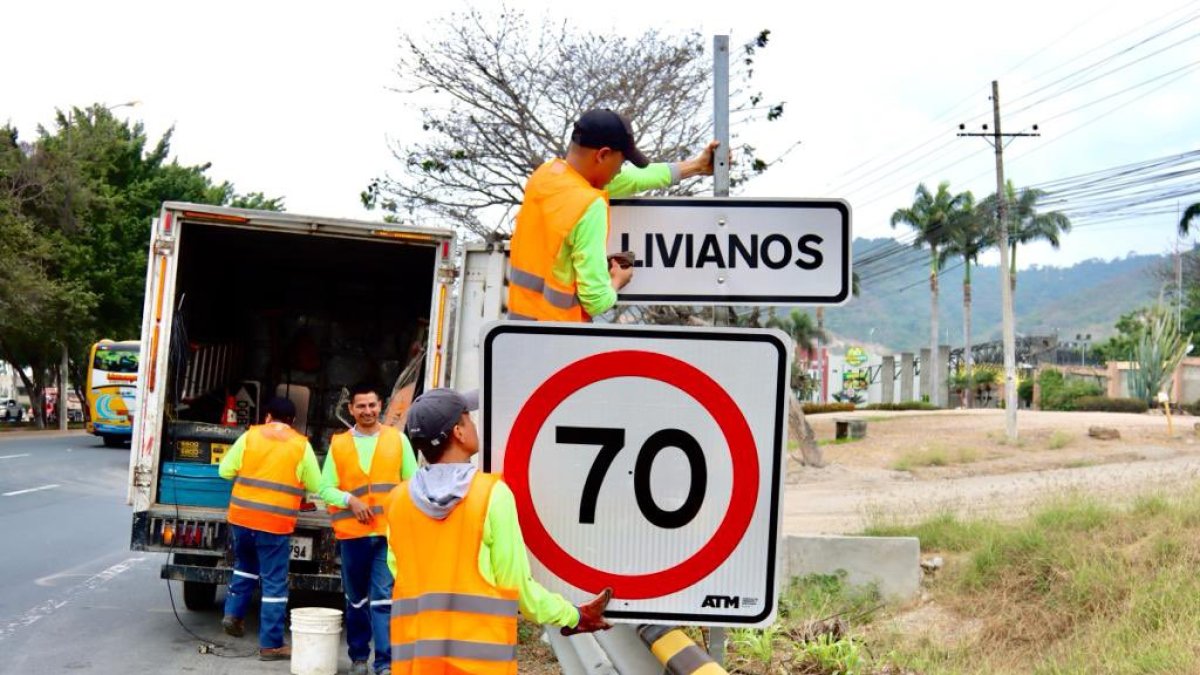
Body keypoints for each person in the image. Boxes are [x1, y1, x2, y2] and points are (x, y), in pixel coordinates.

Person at [386, 389, 611, 673]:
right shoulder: (491, 495)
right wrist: (574, 616)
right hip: (479, 665)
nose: (474, 425)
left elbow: (402, 574)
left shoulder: (398, 501)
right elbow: (517, 587)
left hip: (415, 663)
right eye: (469, 419)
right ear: (459, 432)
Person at [507, 108, 719, 322]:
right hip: (560, 340)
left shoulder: (545, 175)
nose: (619, 170)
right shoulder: (589, 205)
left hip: (518, 331)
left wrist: (697, 166)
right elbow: (596, 300)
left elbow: (632, 179)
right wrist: (618, 280)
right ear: (603, 155)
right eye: (621, 161)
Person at [319, 383, 419, 675]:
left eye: (372, 405)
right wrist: (350, 500)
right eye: (361, 406)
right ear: (351, 410)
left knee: (383, 599)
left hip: (387, 536)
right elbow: (325, 488)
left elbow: (412, 483)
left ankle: (385, 663)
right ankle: (359, 657)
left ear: (381, 406)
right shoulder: (339, 444)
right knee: (357, 600)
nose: (367, 411)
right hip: (352, 535)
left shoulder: (398, 441)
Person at [218, 397, 322, 661]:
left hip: (241, 519)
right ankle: (271, 645)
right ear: (293, 422)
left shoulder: (250, 436)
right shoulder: (301, 445)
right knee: (274, 582)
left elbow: (224, 471)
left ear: (267, 416)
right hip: (275, 524)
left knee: (244, 566)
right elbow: (316, 484)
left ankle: (233, 614)